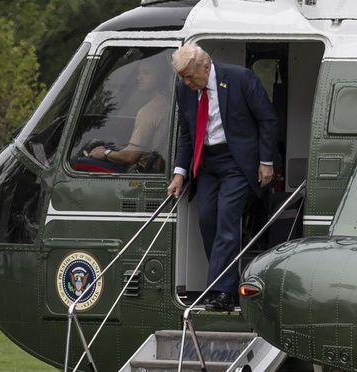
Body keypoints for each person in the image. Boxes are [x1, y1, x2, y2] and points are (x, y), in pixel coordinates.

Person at [166, 44, 277, 312]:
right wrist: (179, 172)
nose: (186, 82)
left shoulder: (240, 78)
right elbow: (186, 133)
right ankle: (224, 282)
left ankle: (221, 291)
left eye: (190, 76)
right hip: (206, 164)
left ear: (206, 67)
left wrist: (266, 162)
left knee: (228, 218)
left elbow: (267, 119)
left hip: (237, 161)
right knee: (207, 221)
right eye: (182, 77)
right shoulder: (185, 90)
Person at [87, 56, 171, 173]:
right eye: (139, 73)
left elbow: (130, 157)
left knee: (80, 163)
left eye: (146, 73)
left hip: (145, 172)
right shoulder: (168, 102)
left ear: (160, 77)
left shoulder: (148, 112)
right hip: (158, 167)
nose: (139, 77)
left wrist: (105, 153)